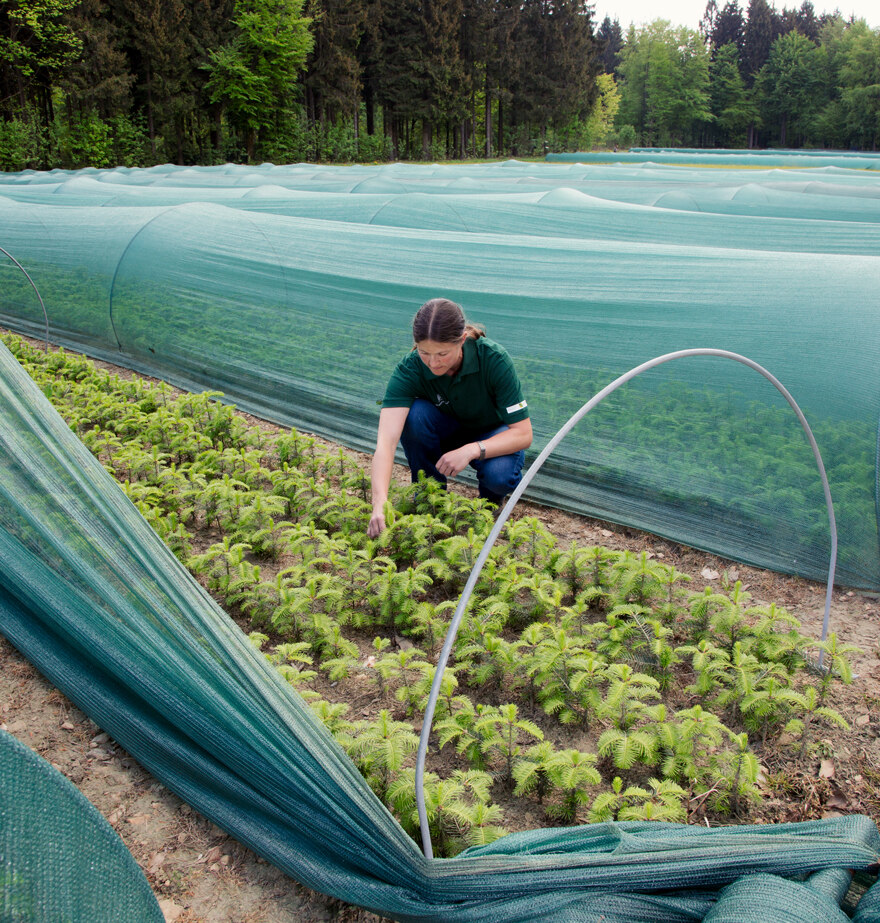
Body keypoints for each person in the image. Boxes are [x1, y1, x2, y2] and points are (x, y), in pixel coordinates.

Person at [368, 298, 532, 538]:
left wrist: (472, 450)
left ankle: (488, 506)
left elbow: (523, 434)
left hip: (491, 435)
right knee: (414, 416)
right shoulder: (410, 369)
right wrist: (379, 500)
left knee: (500, 476)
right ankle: (430, 501)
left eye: (442, 353)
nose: (433, 363)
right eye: (424, 352)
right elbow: (386, 442)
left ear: (462, 341)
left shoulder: (493, 360)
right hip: (448, 430)